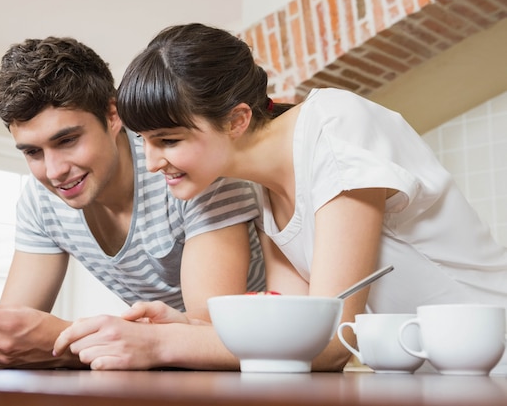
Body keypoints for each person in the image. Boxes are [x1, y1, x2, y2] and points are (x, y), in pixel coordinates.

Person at [113, 23, 507, 372]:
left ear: (237, 120)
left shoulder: (336, 130)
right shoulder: (258, 183)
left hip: (494, 364)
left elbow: (330, 342)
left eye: (168, 140)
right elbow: (295, 326)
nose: (151, 163)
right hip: (426, 375)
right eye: (143, 142)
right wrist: (189, 326)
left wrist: (165, 345)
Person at [0, 36, 266, 370]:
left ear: (113, 115)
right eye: (32, 152)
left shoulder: (186, 167)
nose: (54, 171)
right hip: (161, 372)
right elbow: (10, 333)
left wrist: (65, 339)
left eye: (67, 140)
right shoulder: (40, 202)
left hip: (253, 365)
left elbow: (208, 332)